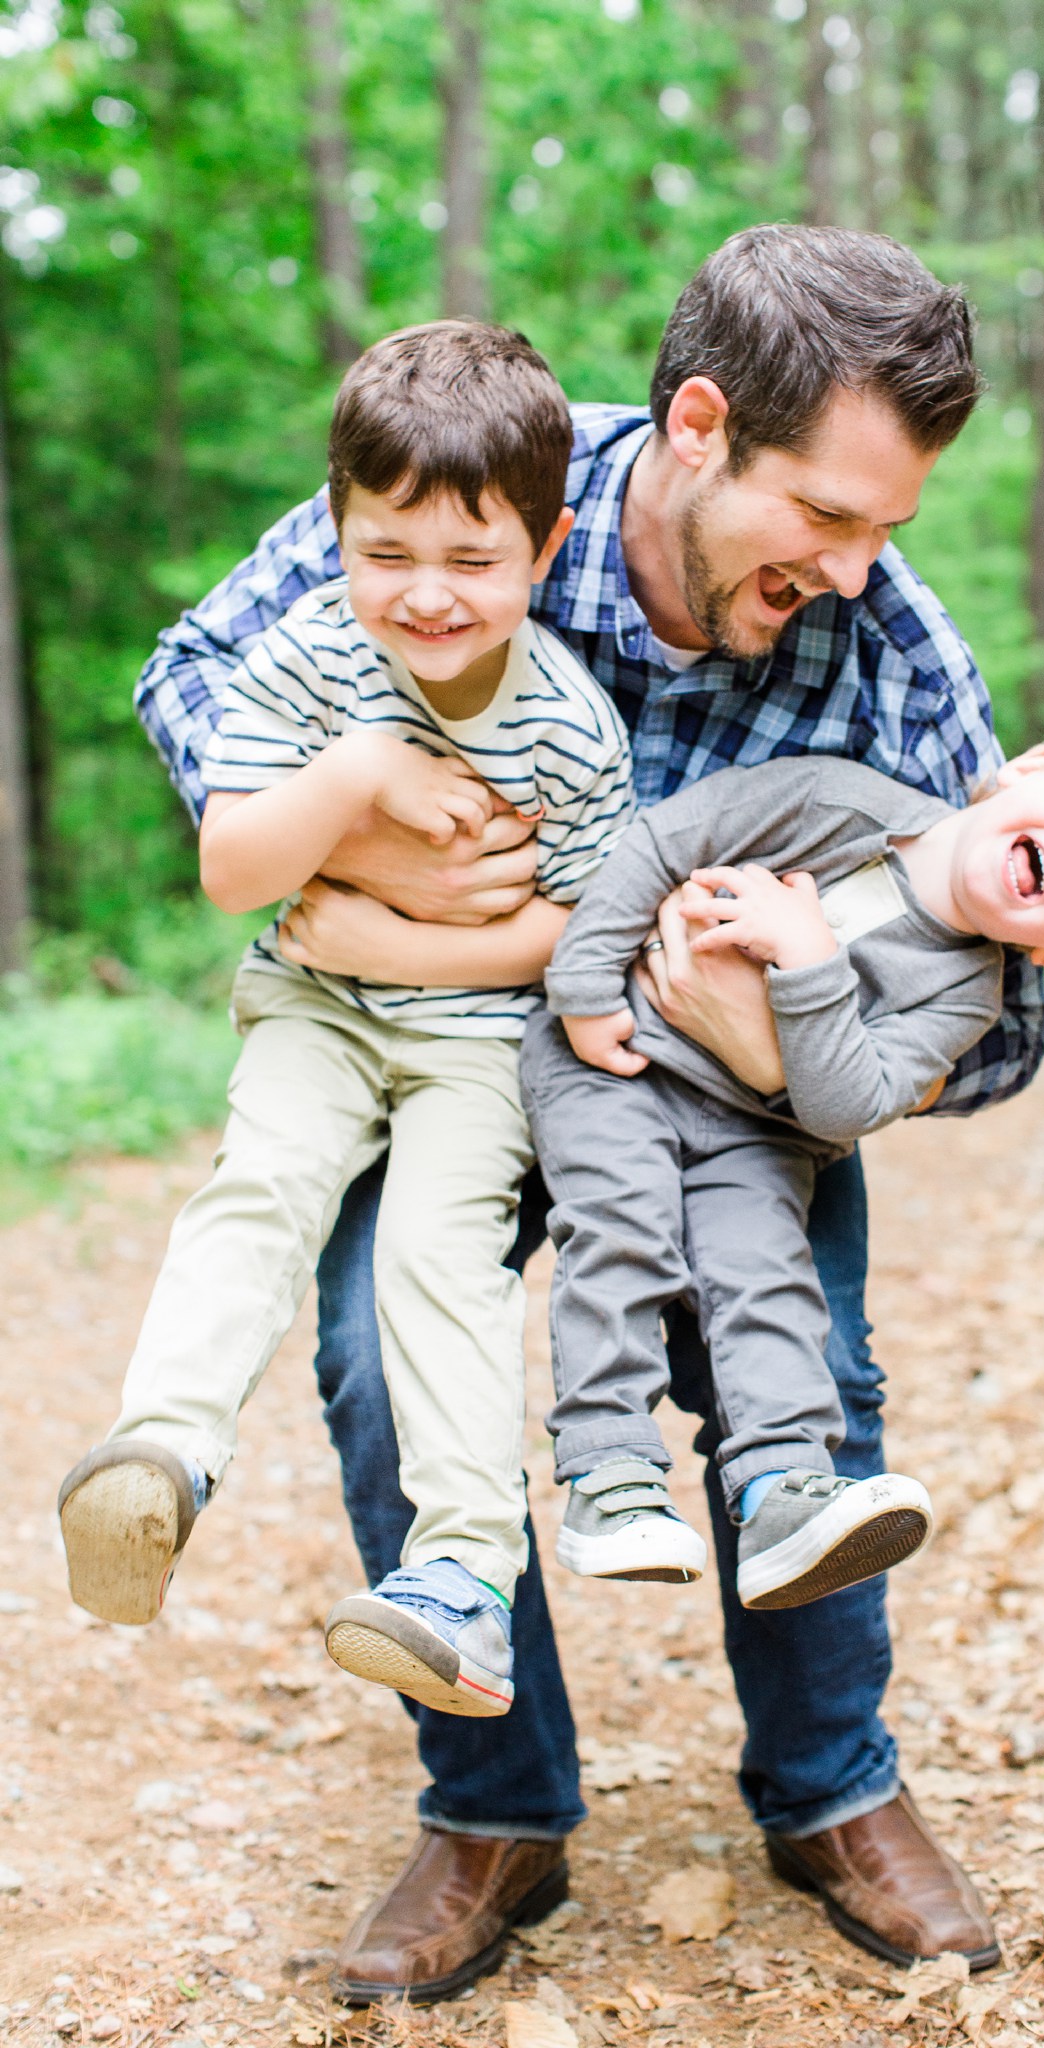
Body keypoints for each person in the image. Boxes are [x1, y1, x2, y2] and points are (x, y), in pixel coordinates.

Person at [134, 225, 1044, 2002]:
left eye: (890, 532)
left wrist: (793, 1049)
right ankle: (495, 1805)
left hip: (719, 1094)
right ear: (697, 425)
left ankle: (831, 1784)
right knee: (376, 1347)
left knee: (806, 1349)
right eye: (829, 520)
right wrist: (370, 849)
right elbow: (189, 675)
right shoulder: (489, 490)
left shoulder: (896, 654)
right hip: (445, 1045)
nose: (860, 574)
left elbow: (1009, 1018)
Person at [58, 322, 634, 1724]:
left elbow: (588, 924)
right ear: (335, 530)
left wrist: (433, 944)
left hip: (473, 1047)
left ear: (543, 550)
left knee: (437, 1263)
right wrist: (361, 770)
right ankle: (164, 1453)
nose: (425, 595)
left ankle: (459, 1574)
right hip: (314, 1009)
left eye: (469, 560)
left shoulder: (567, 724)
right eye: (388, 553)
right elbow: (233, 868)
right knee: (257, 1187)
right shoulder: (310, 657)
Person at [527, 734, 1044, 1604]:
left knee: (769, 1287)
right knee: (624, 1232)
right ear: (1034, 766)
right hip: (621, 1057)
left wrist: (810, 959)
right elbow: (664, 841)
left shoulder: (962, 998)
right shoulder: (836, 802)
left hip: (753, 1135)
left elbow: (844, 1104)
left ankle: (781, 1495)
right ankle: (609, 1473)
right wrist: (586, 985)